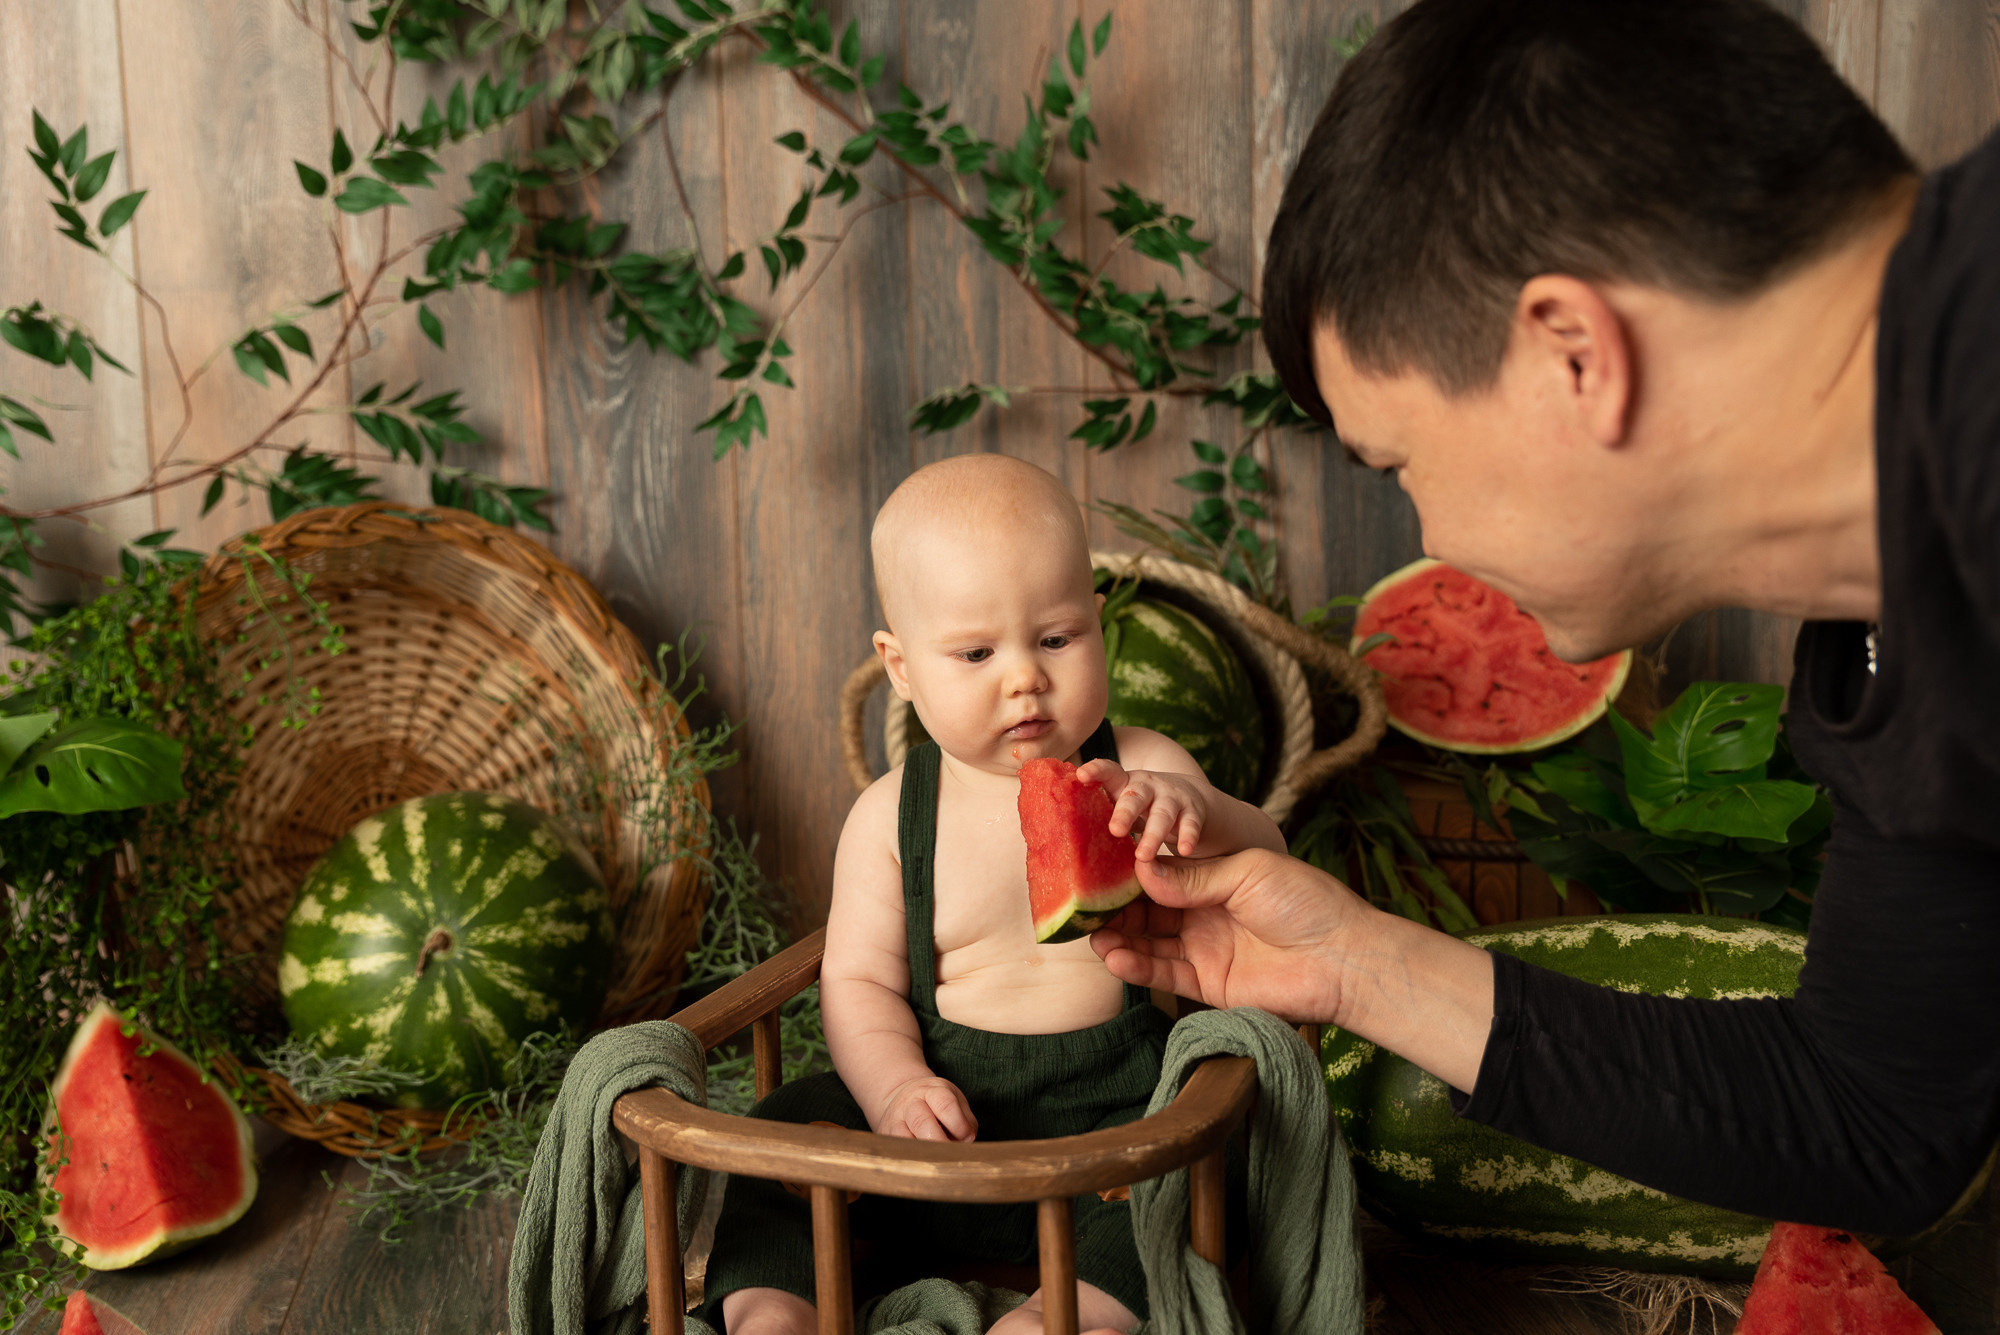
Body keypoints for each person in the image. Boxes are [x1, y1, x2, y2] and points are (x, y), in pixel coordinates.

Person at [1092, 0, 2000, 1237]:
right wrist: (1352, 964)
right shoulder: (1884, 630)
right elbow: (1871, 1118)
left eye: (1398, 462)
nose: (1427, 545)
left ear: (1571, 353)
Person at [702, 454, 1286, 1335]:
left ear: (1096, 622)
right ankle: (773, 1309)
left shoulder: (1151, 768)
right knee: (788, 1131)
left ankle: (1068, 1314)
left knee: (1209, 1163)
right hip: (937, 1128)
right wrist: (897, 1087)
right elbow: (856, 980)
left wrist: (1203, 811)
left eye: (1056, 638)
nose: (1025, 677)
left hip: (1117, 1124)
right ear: (900, 667)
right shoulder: (889, 814)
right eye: (976, 652)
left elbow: (1273, 856)